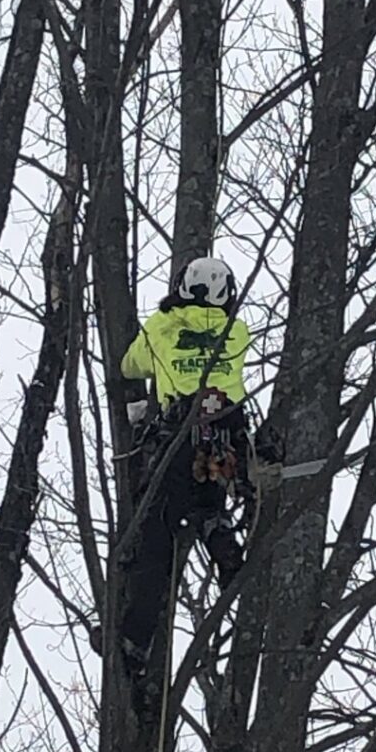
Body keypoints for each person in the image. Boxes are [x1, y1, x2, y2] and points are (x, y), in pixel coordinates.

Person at [118, 256, 251, 668]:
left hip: (179, 435)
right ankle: (222, 541)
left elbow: (130, 365)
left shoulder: (162, 328)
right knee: (208, 501)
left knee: (155, 539)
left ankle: (133, 640)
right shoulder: (238, 331)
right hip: (227, 433)